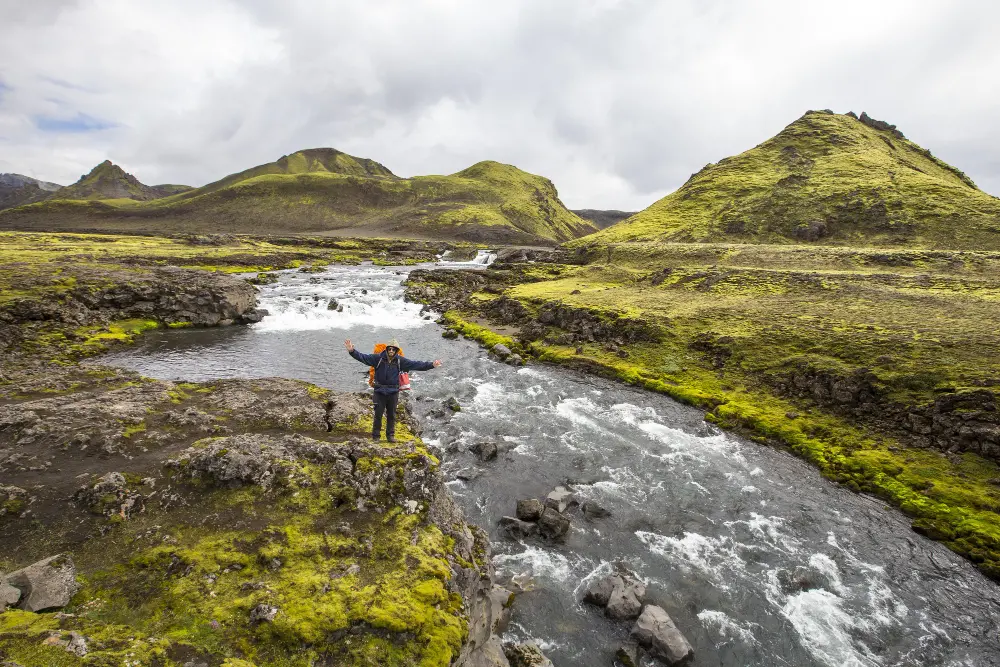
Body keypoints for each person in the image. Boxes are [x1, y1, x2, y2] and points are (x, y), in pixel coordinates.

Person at [344, 337, 441, 442]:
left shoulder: (400, 361)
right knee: (378, 415)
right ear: (386, 349)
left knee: (391, 416)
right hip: (379, 391)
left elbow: (416, 364)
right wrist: (351, 351)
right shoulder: (378, 358)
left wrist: (432, 365)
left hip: (393, 392)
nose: (391, 351)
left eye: (393, 349)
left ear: (396, 350)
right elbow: (363, 357)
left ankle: (390, 436)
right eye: (389, 349)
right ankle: (376, 437)